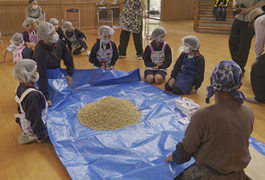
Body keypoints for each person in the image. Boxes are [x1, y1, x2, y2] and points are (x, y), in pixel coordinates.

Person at [165, 60, 254, 179]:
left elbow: (187, 150)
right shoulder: (248, 111)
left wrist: (175, 157)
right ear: (239, 85)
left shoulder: (203, 115)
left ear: (212, 80)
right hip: (237, 174)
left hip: (210, 175)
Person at [32, 22, 74, 107]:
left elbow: (68, 57)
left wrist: (69, 74)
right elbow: (41, 75)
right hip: (44, 79)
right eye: (52, 34)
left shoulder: (59, 43)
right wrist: (45, 97)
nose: (55, 35)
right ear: (44, 37)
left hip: (55, 74)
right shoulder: (39, 52)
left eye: (55, 32)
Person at [12, 59, 48, 144]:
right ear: (28, 75)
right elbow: (35, 117)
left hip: (24, 119)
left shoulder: (20, 87)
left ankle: (27, 130)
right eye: (35, 71)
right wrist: (41, 135)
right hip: (32, 126)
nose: (37, 73)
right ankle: (32, 136)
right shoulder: (33, 95)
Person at [229, 0, 265, 73]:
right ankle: (237, 65)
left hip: (250, 20)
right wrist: (234, 3)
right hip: (238, 17)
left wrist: (248, 10)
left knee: (244, 46)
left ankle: (239, 69)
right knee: (232, 43)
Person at [245, 8, 265, 104]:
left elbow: (260, 39)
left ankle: (260, 98)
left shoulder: (260, 20)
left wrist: (257, 57)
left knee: (256, 70)